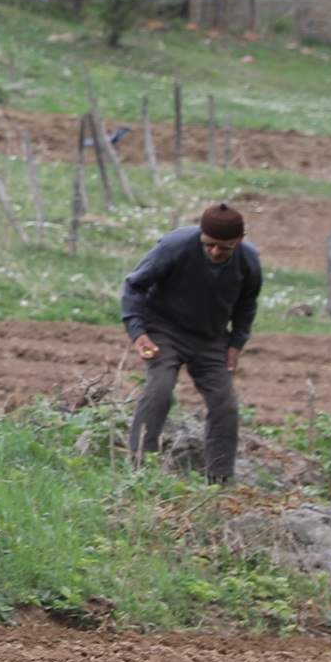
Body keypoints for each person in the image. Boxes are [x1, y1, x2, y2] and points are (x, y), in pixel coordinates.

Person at [121, 202, 262, 484]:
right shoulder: (175, 245)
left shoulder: (248, 260)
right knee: (160, 388)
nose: (214, 252)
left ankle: (219, 483)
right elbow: (135, 285)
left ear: (239, 241)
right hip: (163, 329)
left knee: (225, 406)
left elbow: (247, 305)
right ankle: (139, 471)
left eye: (224, 248)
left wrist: (236, 344)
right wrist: (138, 332)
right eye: (208, 244)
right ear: (201, 234)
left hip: (211, 339)